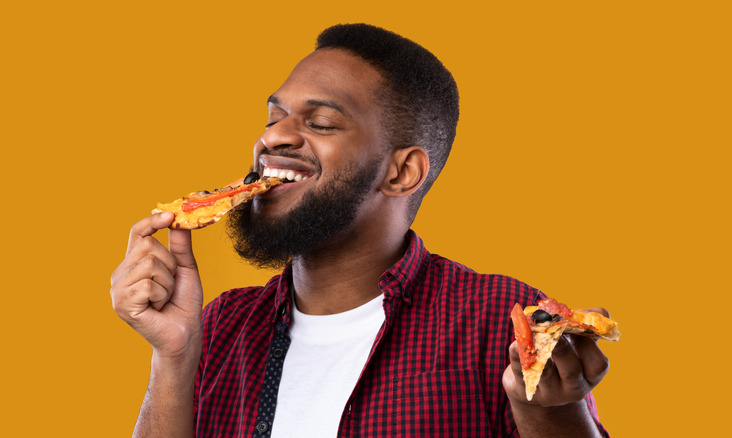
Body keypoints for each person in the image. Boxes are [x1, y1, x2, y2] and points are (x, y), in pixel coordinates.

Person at [110, 23, 612, 437]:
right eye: (274, 116)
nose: (272, 137)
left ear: (401, 173)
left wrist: (551, 410)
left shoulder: (501, 323)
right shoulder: (223, 327)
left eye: (321, 123)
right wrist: (173, 358)